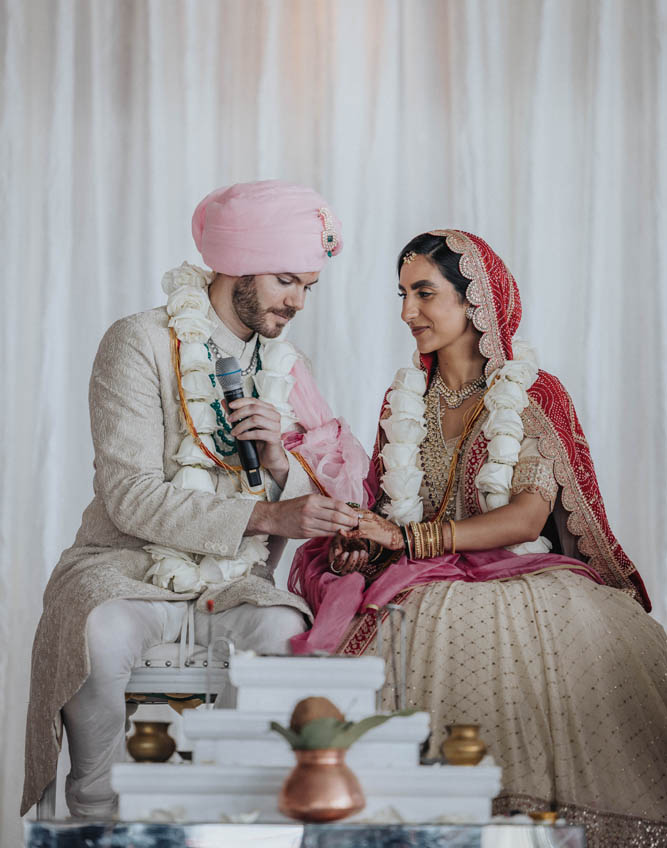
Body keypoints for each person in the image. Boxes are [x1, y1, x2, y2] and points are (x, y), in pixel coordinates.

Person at [289, 229, 667, 848]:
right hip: (419, 584)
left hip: (525, 589)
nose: (407, 312)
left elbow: (524, 518)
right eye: (402, 294)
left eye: (424, 293)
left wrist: (409, 540)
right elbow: (389, 506)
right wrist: (363, 540)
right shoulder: (405, 398)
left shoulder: (534, 393)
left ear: (477, 303)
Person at [22, 180, 370, 819]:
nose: (296, 301)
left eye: (306, 288)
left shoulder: (286, 365)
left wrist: (274, 462)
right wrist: (266, 514)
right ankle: (95, 811)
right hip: (124, 568)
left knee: (284, 627)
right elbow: (130, 496)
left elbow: (304, 485)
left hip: (237, 580)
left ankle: (229, 813)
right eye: (284, 281)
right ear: (236, 263)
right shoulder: (140, 342)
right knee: (97, 632)